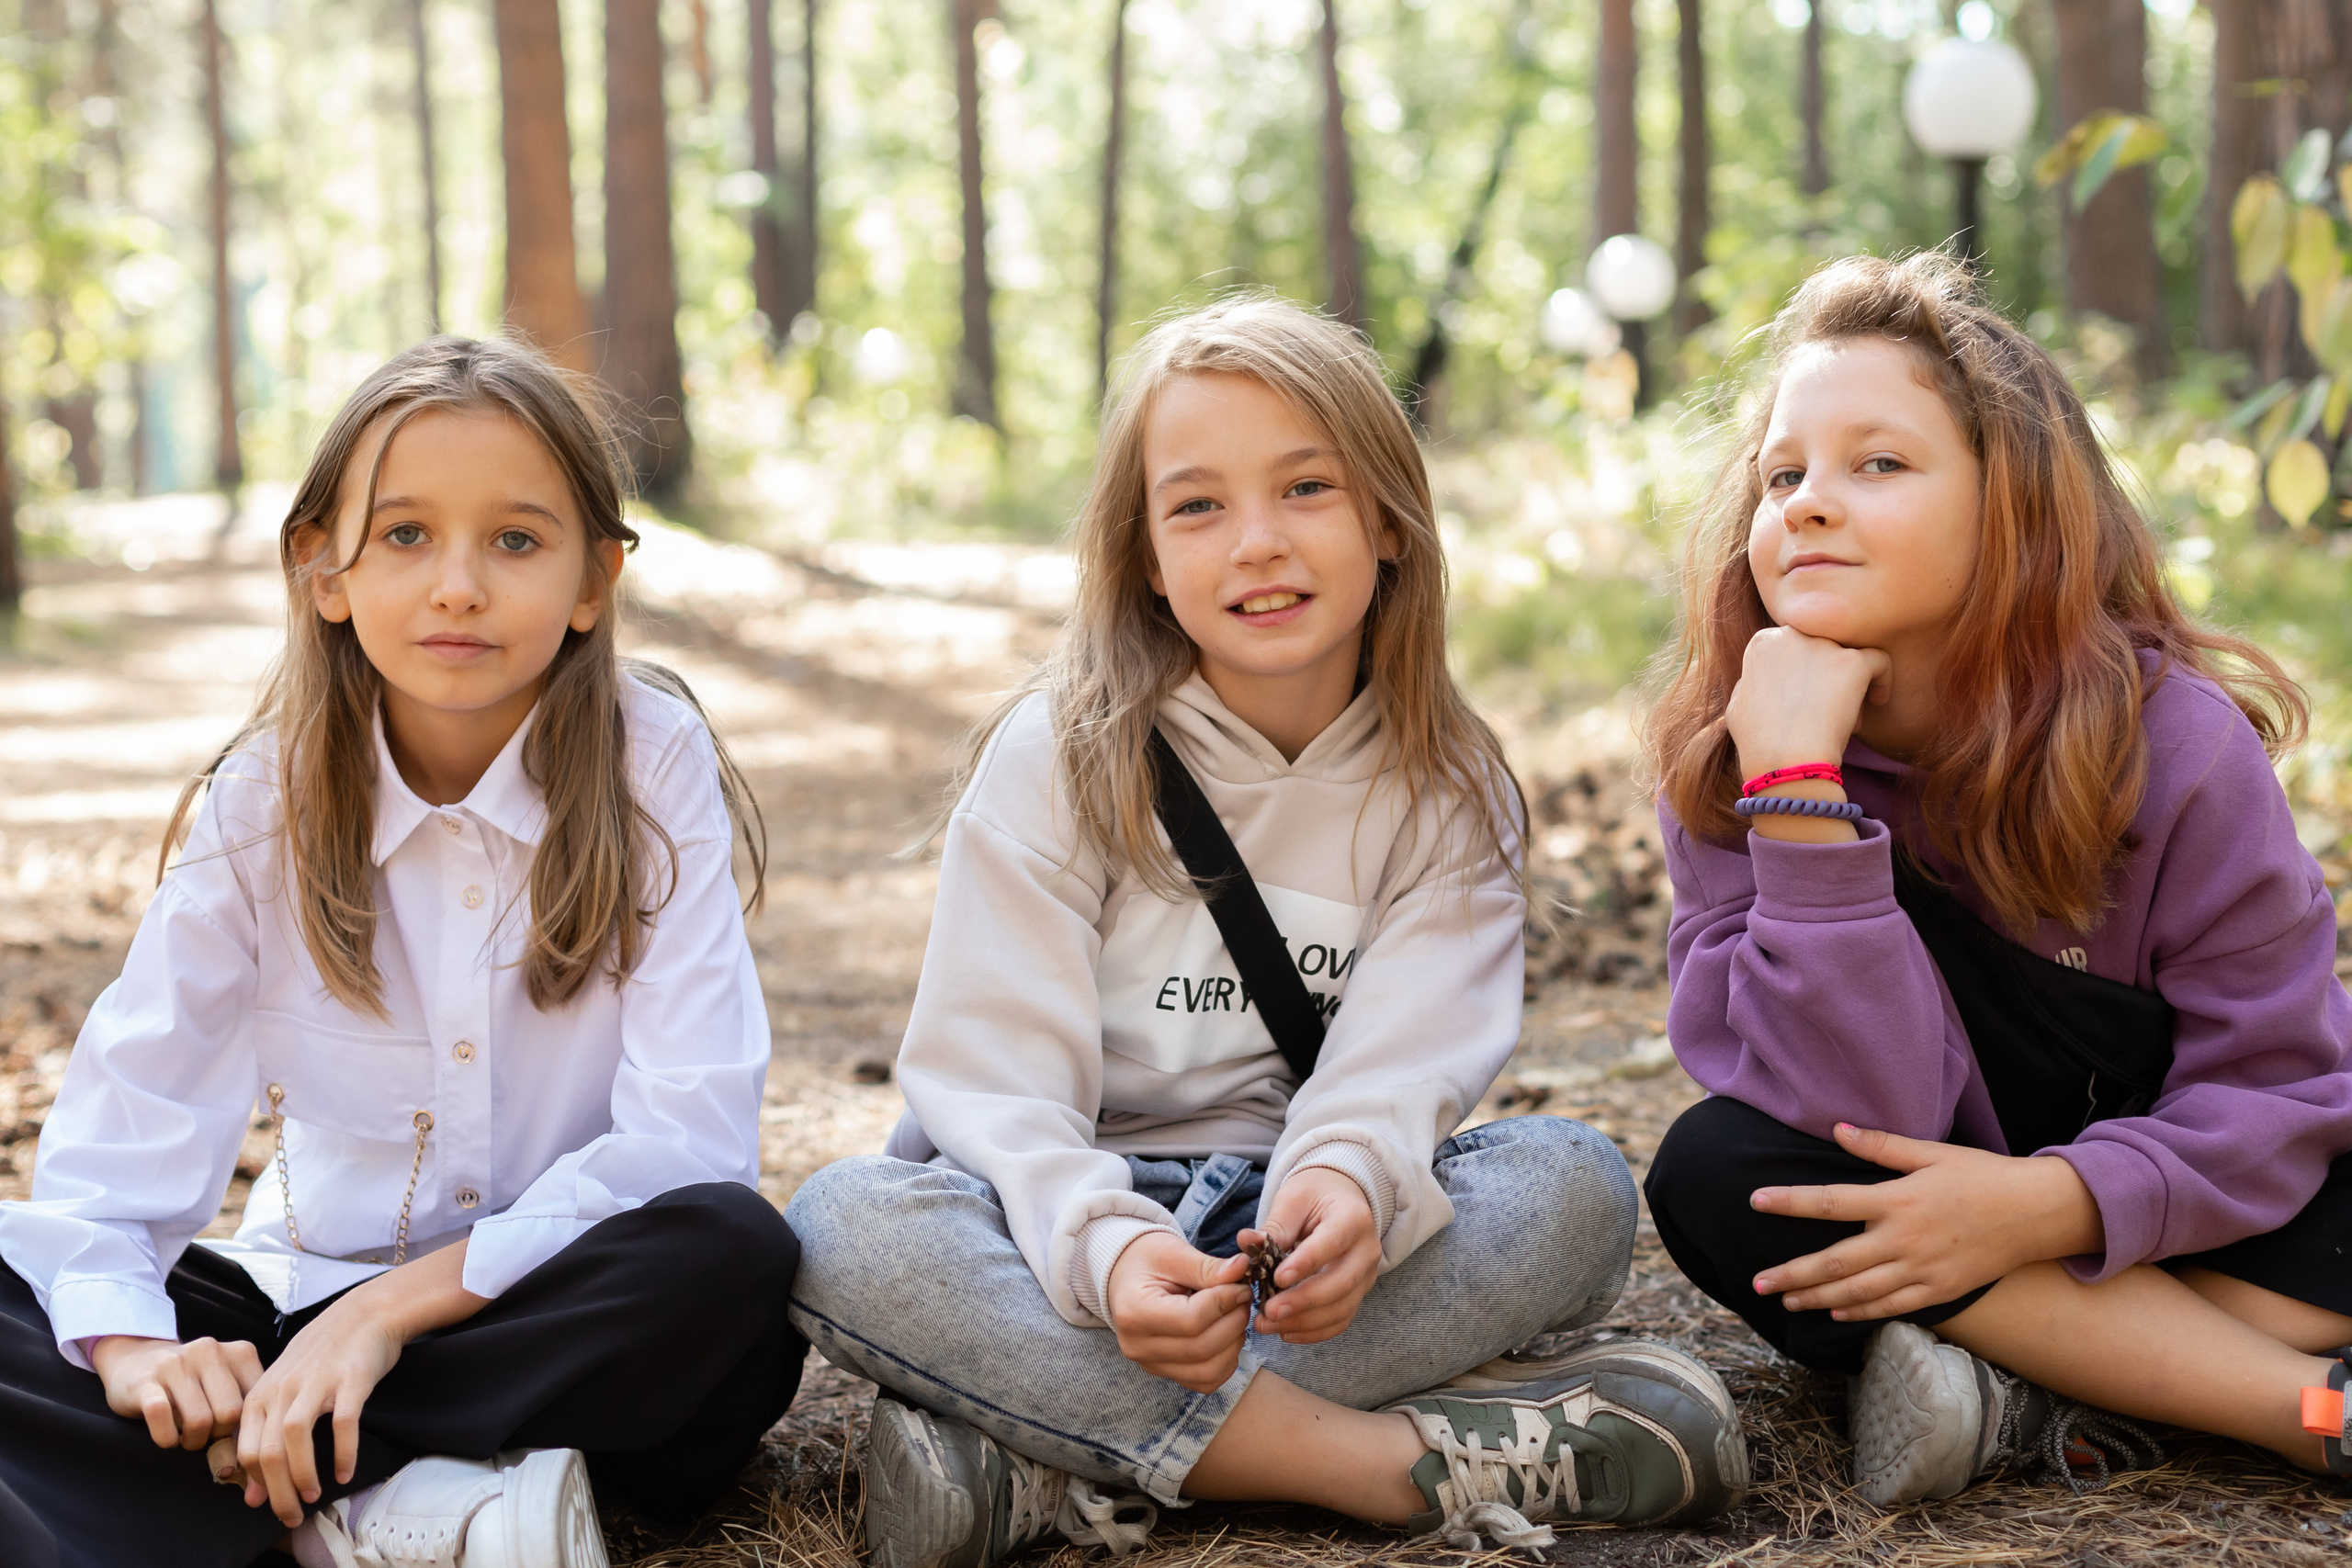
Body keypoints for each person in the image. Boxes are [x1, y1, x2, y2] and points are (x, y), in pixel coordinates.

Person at [784, 294, 1747, 1568]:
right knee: (843, 1225)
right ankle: (1369, 1463)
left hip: (1295, 1240)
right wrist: (1108, 1249)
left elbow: (1402, 1065)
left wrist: (1343, 1188)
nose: (1257, 543)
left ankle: (1038, 1454)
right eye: (1196, 506)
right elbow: (995, 1082)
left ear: (1389, 520)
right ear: (1144, 556)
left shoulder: (1451, 788)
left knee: (1575, 1184)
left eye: (1306, 488)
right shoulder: (1061, 755)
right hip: (1058, 1225)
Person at [0, 337, 805, 1568]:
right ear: (322, 568)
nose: (459, 587)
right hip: (302, 1303)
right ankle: (384, 1499)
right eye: (407, 535)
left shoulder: (649, 761)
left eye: (517, 540)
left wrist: (384, 1319)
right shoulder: (262, 798)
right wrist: (138, 1352)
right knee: (32, 1288)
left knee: (731, 1259)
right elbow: (123, 1142)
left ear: (595, 579)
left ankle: (245, 1485)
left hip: (544, 1308)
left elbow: (687, 1143)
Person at [1640, 250, 2352, 1507]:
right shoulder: (1734, 756)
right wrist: (1799, 792)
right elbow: (1852, 1113)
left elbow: (2274, 1091)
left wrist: (2053, 1204)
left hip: (2185, 1197)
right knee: (1724, 1173)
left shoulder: (2174, 746)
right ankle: (2304, 1410)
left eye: (1879, 464)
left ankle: (2037, 1389)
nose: (1808, 504)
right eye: (1782, 474)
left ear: (2012, 506)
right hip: (1916, 1206)